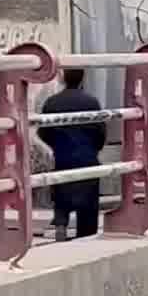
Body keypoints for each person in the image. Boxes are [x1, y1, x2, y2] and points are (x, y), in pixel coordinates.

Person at [39, 69, 108, 241]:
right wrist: (93, 149)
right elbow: (101, 133)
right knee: (88, 206)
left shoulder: (52, 103)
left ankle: (61, 224)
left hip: (63, 158)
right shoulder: (92, 102)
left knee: (62, 196)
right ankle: (85, 238)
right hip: (88, 158)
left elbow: (43, 132)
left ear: (62, 77)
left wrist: (57, 146)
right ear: (83, 78)